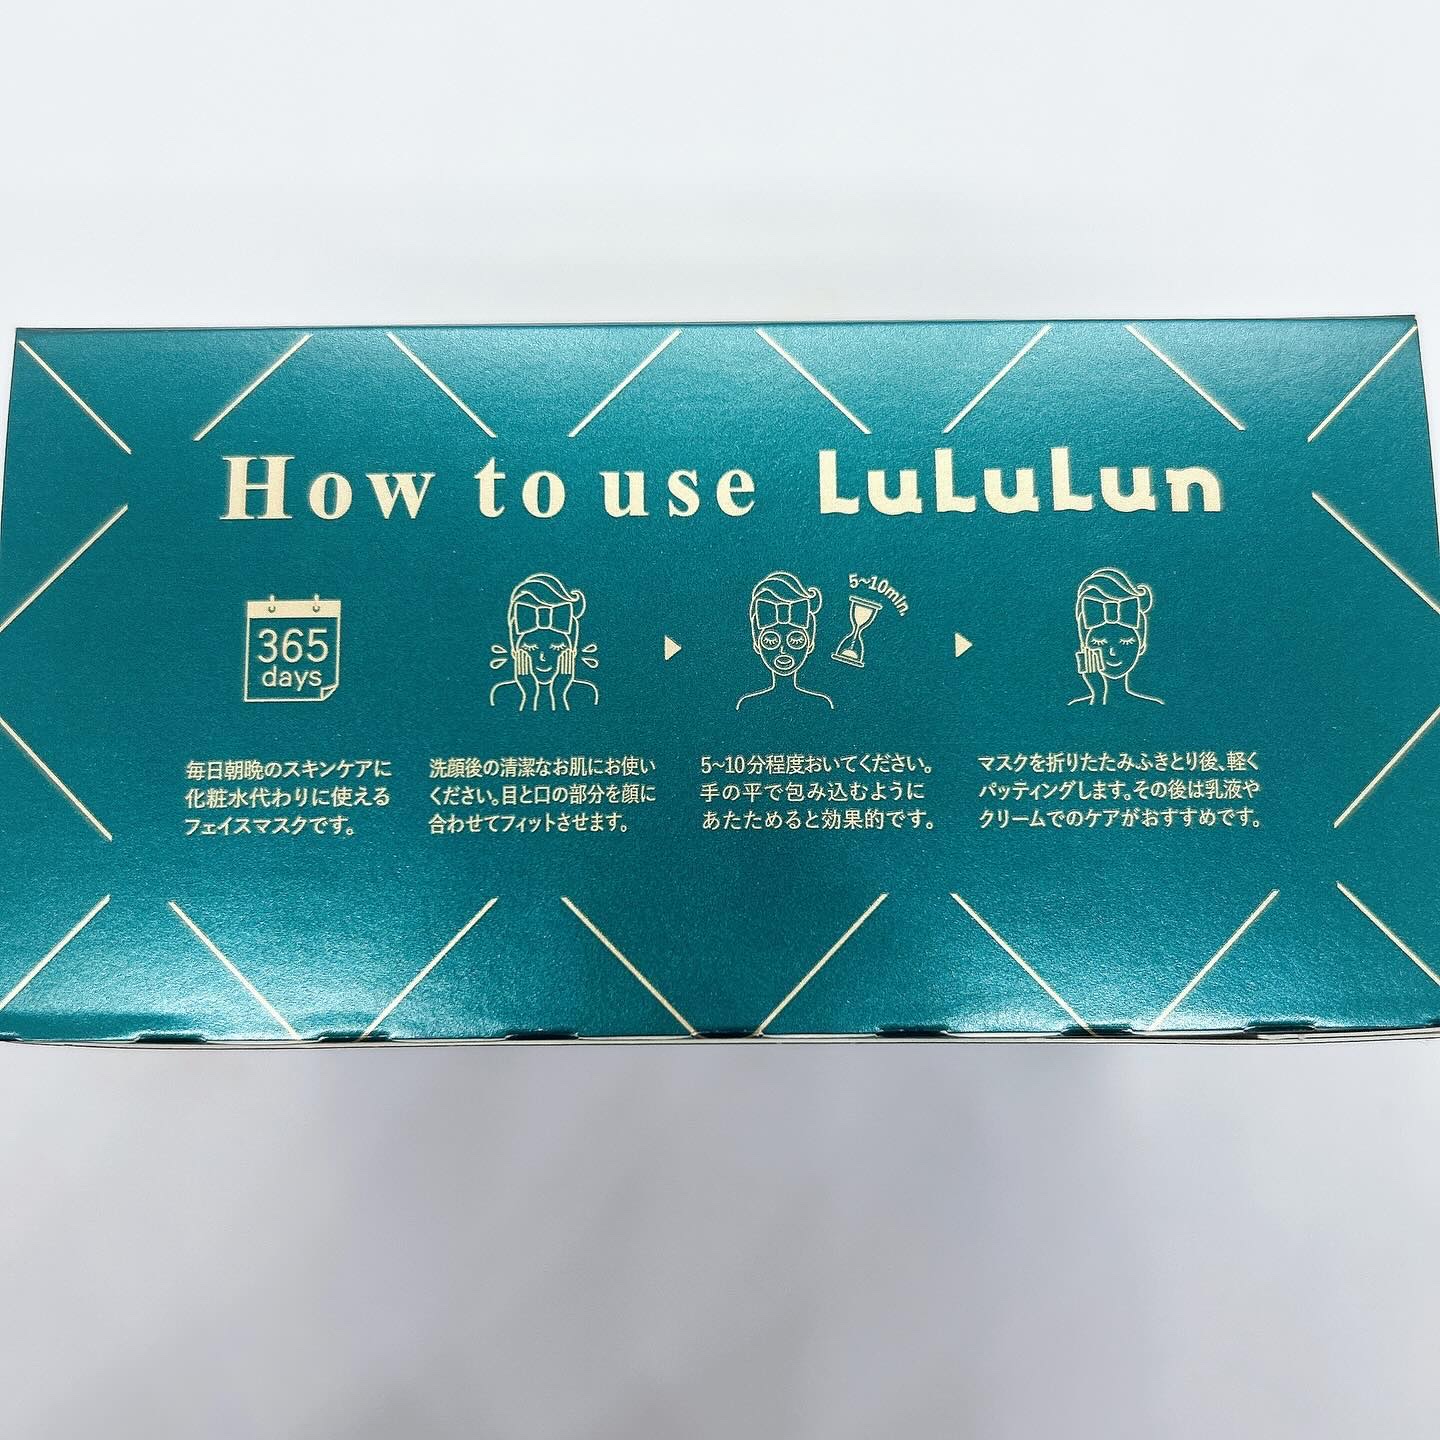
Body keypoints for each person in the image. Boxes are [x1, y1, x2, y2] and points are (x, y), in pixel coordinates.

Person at [489, 573, 599, 712]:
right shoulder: (501, 694)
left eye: (556, 647)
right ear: (515, 653)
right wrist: (529, 695)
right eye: (531, 648)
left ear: (572, 652)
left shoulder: (587, 693)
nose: (543, 657)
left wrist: (559, 695)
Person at [736, 571, 834, 711]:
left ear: (810, 643)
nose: (783, 650)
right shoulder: (748, 705)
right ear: (756, 644)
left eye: (796, 641)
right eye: (770, 642)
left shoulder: (821, 705)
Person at [1069, 566, 1164, 706]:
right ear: (1084, 646)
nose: (1112, 652)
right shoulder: (1076, 707)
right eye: (1100, 642)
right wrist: (1098, 694)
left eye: (1126, 642)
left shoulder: (1153, 707)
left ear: (1142, 645)